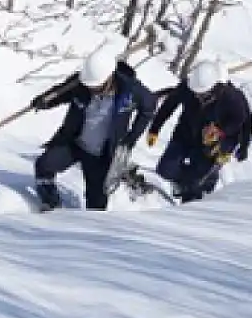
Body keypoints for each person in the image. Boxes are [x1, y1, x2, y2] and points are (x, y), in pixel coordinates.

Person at [27, 45, 157, 210]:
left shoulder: (130, 90)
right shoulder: (81, 82)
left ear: (109, 78)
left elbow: (149, 107)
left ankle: (89, 228)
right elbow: (60, 93)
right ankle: (50, 201)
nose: (91, 90)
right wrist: (44, 100)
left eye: (96, 87)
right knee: (44, 164)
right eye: (89, 87)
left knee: (96, 202)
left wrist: (131, 138)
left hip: (101, 154)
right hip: (74, 142)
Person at [145, 57, 252, 203]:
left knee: (197, 183)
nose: (197, 96)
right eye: (195, 92)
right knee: (166, 169)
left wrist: (228, 138)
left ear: (214, 87)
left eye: (202, 94)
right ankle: (185, 184)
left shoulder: (232, 97)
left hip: (210, 144)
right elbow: (170, 104)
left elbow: (242, 120)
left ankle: (196, 195)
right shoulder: (187, 87)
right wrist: (155, 128)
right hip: (185, 134)